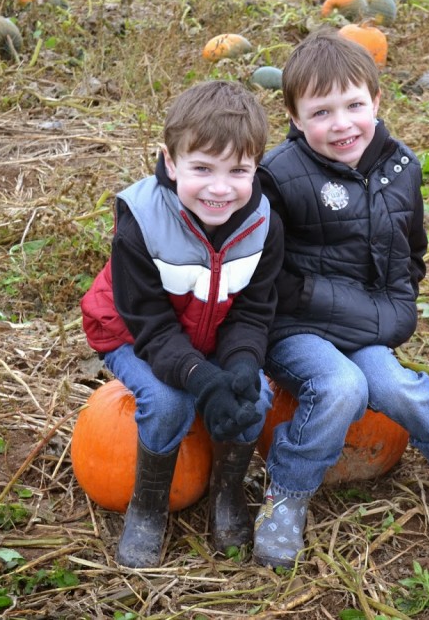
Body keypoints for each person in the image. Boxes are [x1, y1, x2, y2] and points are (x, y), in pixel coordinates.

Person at [254, 27, 429, 568]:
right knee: (340, 386)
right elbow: (270, 277)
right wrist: (360, 313)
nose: (341, 124)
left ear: (377, 101)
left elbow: (412, 250)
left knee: (394, 387)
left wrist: (388, 307)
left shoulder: (402, 168)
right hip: (296, 327)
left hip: (366, 329)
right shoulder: (279, 177)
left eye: (354, 105)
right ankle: (287, 493)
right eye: (321, 112)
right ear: (295, 117)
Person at [81, 81, 284, 568]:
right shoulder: (141, 223)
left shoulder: (264, 223)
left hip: (211, 334)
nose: (220, 187)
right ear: (171, 163)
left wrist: (238, 363)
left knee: (252, 393)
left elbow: (255, 310)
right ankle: (148, 507)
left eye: (238, 170)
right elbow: (149, 324)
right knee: (169, 400)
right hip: (133, 334)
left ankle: (227, 493)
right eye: (201, 169)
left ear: (256, 165)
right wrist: (200, 378)